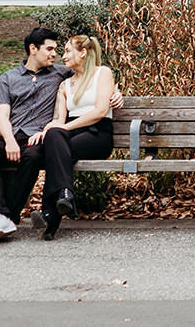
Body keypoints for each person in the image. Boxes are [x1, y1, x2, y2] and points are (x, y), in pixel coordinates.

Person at [0, 28, 68, 243]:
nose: (55, 54)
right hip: (12, 133)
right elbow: (3, 116)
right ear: (33, 49)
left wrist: (115, 92)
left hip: (37, 137)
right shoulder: (9, 78)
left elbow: (91, 76)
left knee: (33, 156)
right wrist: (9, 141)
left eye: (56, 49)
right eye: (50, 49)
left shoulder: (60, 73)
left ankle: (6, 217)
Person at [34, 34, 122, 239]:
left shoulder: (103, 73)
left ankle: (50, 211)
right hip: (71, 134)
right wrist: (47, 130)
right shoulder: (64, 86)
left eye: (67, 51)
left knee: (57, 152)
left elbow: (100, 111)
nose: (62, 57)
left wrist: (65, 128)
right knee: (54, 137)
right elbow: (58, 119)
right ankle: (63, 198)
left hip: (97, 133)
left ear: (83, 53)